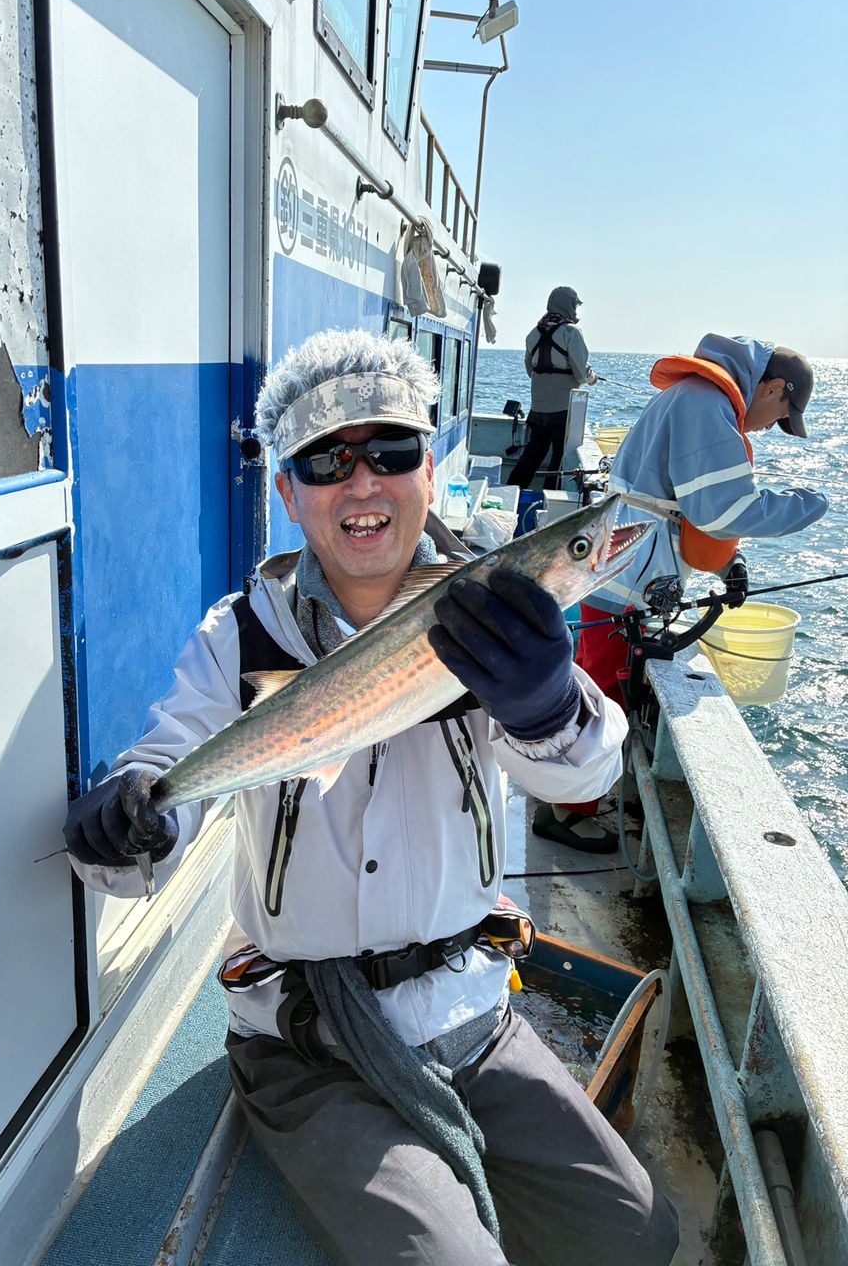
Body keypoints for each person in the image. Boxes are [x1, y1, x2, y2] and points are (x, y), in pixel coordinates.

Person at [64, 329, 679, 1266]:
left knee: (636, 1234)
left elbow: (586, 774)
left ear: (429, 473)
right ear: (288, 495)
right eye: (325, 460)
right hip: (306, 1044)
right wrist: (129, 817)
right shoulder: (240, 639)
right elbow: (171, 764)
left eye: (391, 451)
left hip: (470, 1016)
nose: (361, 483)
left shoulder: (499, 618)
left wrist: (549, 703)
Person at [532, 334, 829, 853]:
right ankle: (564, 812)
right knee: (601, 691)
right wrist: (811, 504)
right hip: (626, 575)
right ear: (776, 387)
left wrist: (728, 561)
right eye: (781, 416)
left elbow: (685, 500)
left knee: (603, 687)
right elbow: (724, 510)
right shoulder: (708, 405)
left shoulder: (697, 397)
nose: (772, 429)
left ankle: (584, 790)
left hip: (622, 565)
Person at [508, 286, 598, 490]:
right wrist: (592, 378)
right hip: (563, 412)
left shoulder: (534, 333)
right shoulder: (571, 332)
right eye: (575, 306)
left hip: (537, 411)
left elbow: (530, 370)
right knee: (559, 461)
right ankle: (549, 500)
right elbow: (581, 374)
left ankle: (510, 492)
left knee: (531, 458)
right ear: (569, 306)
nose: (575, 311)